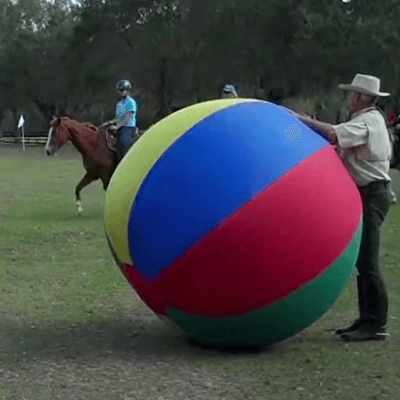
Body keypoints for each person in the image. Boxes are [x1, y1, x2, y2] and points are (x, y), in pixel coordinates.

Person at [297, 73, 392, 341]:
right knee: (363, 261)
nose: (348, 99)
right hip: (364, 193)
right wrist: (293, 129)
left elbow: (331, 133)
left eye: (352, 94)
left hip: (372, 194)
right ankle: (366, 320)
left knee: (368, 260)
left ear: (361, 97)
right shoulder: (362, 121)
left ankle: (376, 325)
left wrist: (298, 119)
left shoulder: (368, 121)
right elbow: (329, 141)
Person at [101, 79, 138, 162]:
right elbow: (118, 118)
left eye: (122, 90)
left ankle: (125, 162)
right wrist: (107, 123)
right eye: (119, 90)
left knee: (123, 145)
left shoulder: (131, 102)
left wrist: (116, 126)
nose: (121, 92)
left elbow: (128, 116)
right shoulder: (119, 104)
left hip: (128, 127)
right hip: (119, 126)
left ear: (128, 90)